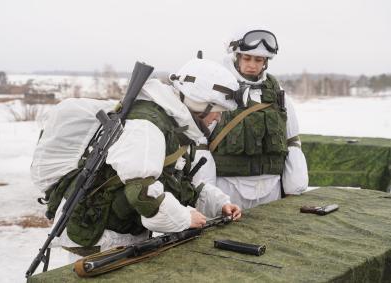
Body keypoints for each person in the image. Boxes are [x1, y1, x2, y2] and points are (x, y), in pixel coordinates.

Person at [46, 58, 242, 261]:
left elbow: (175, 182)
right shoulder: (146, 127)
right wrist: (184, 218)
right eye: (218, 111)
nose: (218, 119)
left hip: (123, 236)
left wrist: (218, 205)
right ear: (201, 103)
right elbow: (142, 192)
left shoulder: (173, 124)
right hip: (101, 239)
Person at [209, 28, 309, 209]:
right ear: (236, 57)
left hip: (271, 188)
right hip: (227, 189)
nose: (252, 65)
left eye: (258, 60)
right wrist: (207, 193)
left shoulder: (276, 91)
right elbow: (200, 143)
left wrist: (295, 185)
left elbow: (292, 140)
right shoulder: (216, 88)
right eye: (247, 58)